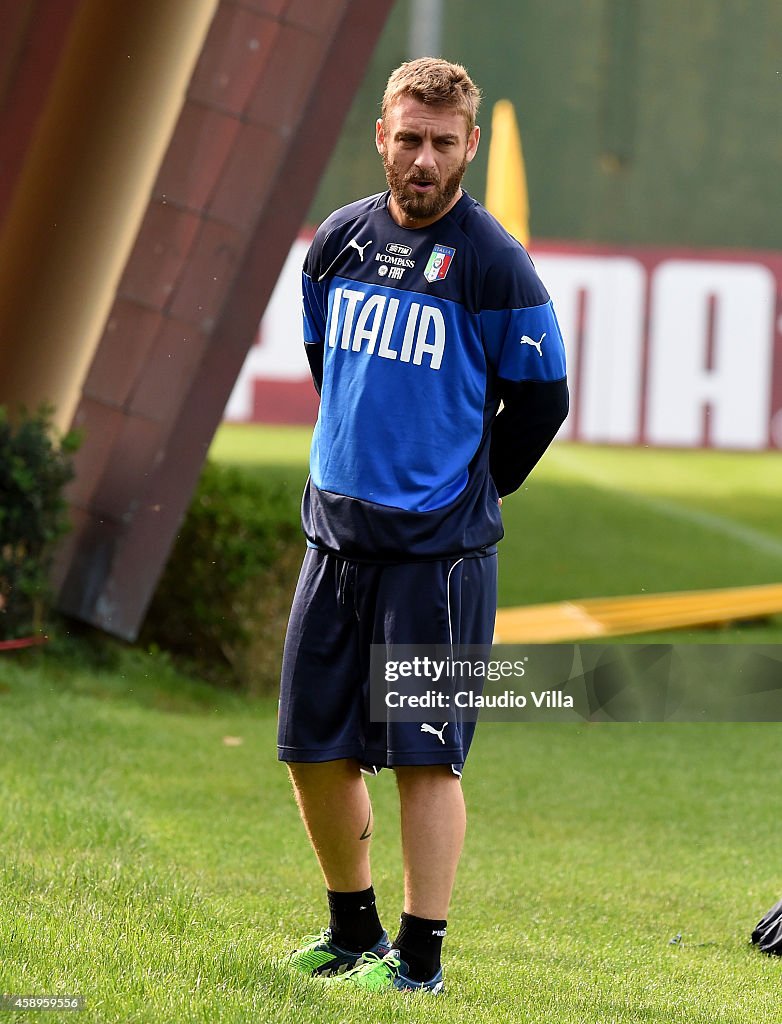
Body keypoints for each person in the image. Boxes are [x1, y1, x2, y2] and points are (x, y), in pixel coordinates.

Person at [278, 57, 568, 994]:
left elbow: (540, 401)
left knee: (424, 759)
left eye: (444, 143)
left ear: (469, 145)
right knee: (312, 749)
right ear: (381, 136)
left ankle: (421, 962)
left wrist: (470, 495)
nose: (424, 160)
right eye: (409, 139)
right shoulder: (337, 242)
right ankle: (352, 934)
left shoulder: (496, 264)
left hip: (435, 560)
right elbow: (327, 361)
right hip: (335, 541)